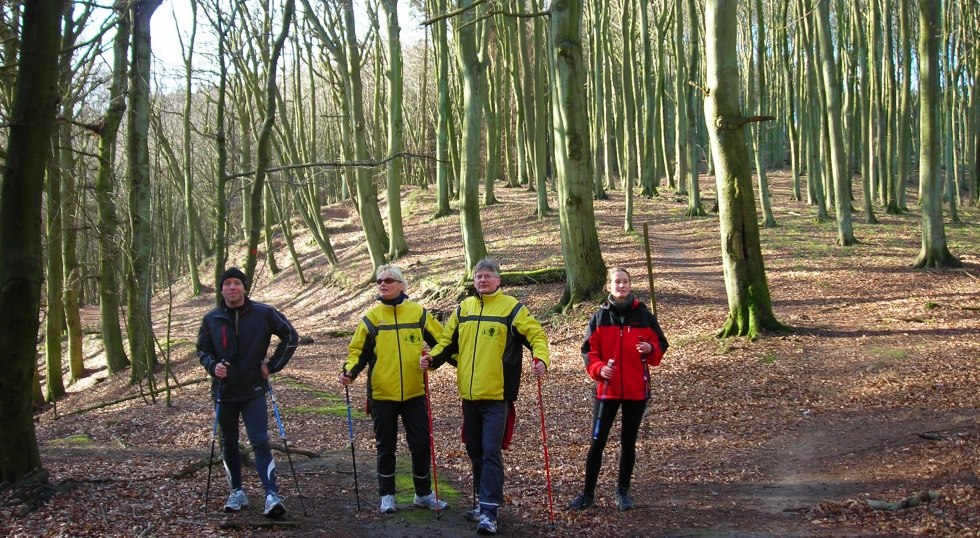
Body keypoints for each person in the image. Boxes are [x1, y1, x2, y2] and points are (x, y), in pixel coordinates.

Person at [421, 258, 550, 536]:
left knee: (491, 451)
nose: (482, 280)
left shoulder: (512, 308)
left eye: (488, 276)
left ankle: (490, 512)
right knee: (475, 450)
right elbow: (445, 343)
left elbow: (536, 335)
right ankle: (482, 503)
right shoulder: (464, 309)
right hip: (469, 396)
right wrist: (431, 360)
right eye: (478, 276)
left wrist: (541, 358)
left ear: (498, 280)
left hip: (497, 396)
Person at [339, 265, 449, 514]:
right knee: (385, 447)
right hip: (382, 394)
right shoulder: (371, 318)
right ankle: (387, 495)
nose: (382, 284)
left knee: (421, 444)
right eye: (379, 281)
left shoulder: (418, 313)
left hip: (415, 392)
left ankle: (423, 494)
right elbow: (357, 353)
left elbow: (442, 342)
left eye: (388, 280)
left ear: (401, 285)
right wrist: (348, 372)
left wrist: (433, 359)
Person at [197, 267, 298, 518]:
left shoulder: (263, 313)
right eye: (227, 284)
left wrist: (271, 366)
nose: (232, 287)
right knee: (228, 443)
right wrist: (213, 366)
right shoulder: (211, 319)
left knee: (260, 441)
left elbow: (290, 336)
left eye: (237, 283)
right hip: (224, 392)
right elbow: (202, 350)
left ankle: (271, 494)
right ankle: (237, 491)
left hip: (253, 389)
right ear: (221, 289)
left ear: (244, 287)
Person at [568, 267, 668, 512]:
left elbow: (661, 344)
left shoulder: (644, 316)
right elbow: (588, 352)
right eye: (617, 282)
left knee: (628, 442)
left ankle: (622, 492)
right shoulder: (599, 318)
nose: (621, 286)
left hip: (636, 391)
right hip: (607, 392)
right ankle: (588, 494)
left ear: (630, 285)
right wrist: (600, 369)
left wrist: (650, 349)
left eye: (625, 282)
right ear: (609, 286)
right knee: (597, 442)